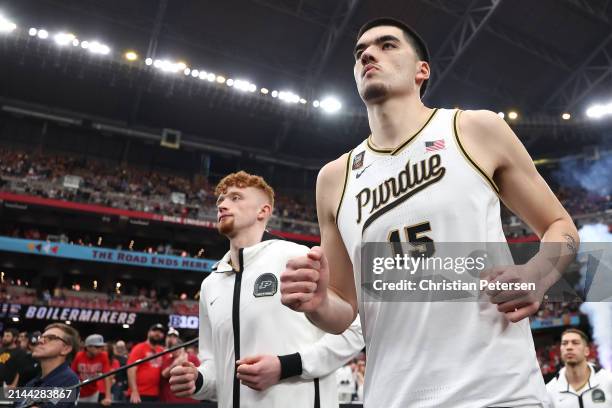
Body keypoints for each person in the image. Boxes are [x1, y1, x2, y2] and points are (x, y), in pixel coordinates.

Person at [280, 17, 580, 407]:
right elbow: (341, 307)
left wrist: (538, 274)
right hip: (393, 396)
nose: (368, 54)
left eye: (387, 45)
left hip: (498, 392)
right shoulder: (334, 178)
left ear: (422, 70)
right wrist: (318, 304)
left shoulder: (474, 129)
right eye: (360, 53)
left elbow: (562, 226)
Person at [169, 171, 364, 408]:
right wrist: (198, 380)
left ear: (263, 211)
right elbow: (215, 365)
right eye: (220, 200)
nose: (222, 204)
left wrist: (287, 366)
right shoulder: (211, 284)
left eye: (235, 197)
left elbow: (355, 329)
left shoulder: (297, 257)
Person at [19, 323, 80, 408]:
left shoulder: (69, 380)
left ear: (66, 349)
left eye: (51, 338)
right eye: (42, 337)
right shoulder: (32, 383)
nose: (39, 341)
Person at [546, 329, 612, 407]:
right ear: (560, 350)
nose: (569, 347)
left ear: (587, 351)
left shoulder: (608, 380)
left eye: (575, 343)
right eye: (564, 343)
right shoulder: (550, 390)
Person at [127, 323, 165, 403]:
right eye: (155, 331)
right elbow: (131, 369)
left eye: (160, 332)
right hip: (139, 394)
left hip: (155, 394)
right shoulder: (139, 348)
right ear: (149, 333)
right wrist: (134, 391)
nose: (157, 333)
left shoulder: (161, 351)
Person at [159, 328, 199, 403]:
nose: (174, 350)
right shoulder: (167, 358)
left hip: (190, 400)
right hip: (171, 400)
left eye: (176, 347)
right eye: (172, 348)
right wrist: (175, 364)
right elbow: (164, 374)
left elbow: (199, 374)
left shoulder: (192, 358)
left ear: (182, 347)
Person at [71, 334, 111, 405]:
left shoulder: (103, 356)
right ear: (88, 347)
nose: (100, 349)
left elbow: (107, 376)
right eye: (97, 347)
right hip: (77, 391)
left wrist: (108, 396)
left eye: (101, 347)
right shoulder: (79, 356)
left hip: (93, 392)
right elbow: (72, 375)